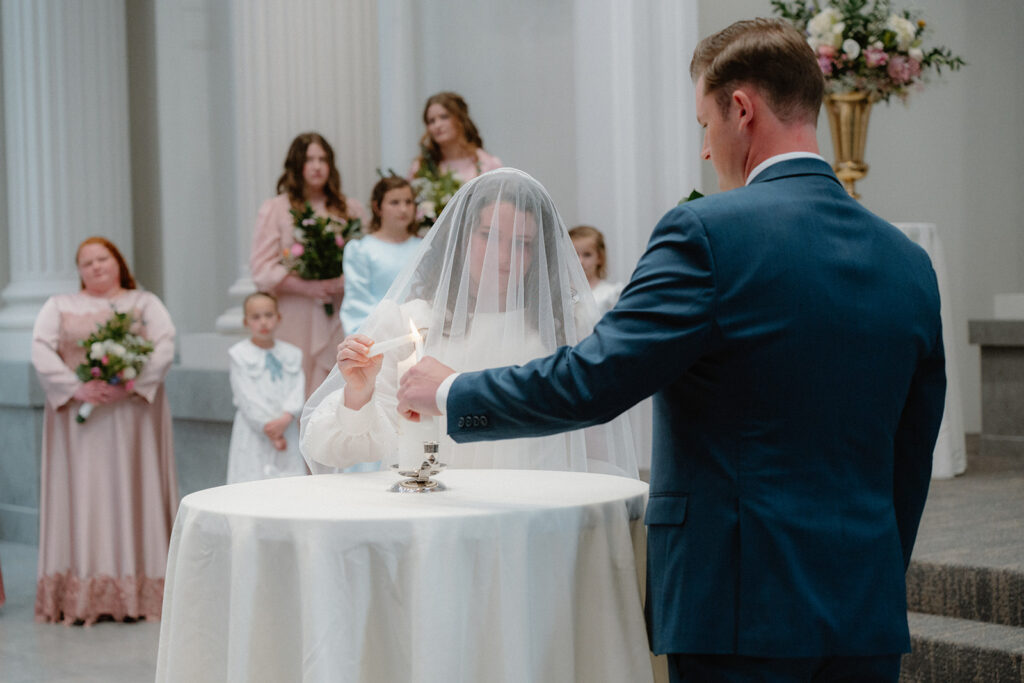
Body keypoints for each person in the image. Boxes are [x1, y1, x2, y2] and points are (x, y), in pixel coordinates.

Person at [397, 19, 945, 682]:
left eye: (703, 124)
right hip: (864, 612)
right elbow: (911, 456)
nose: (707, 152)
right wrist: (872, 576)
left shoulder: (707, 234)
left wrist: (453, 391)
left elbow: (592, 381)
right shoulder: (909, 263)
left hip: (737, 609)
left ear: (739, 109)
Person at [301, 168, 637, 479]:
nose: (502, 257)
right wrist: (359, 394)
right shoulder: (409, 321)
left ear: (540, 253)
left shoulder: (568, 324)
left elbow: (595, 440)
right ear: (462, 239)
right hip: (440, 509)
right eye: (488, 236)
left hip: (538, 506)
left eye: (522, 243)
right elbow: (338, 449)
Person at [31, 236, 178, 625]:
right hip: (80, 423)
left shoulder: (144, 303)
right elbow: (41, 348)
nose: (95, 267)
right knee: (86, 495)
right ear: (79, 271)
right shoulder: (59, 306)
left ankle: (141, 590)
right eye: (86, 262)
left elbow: (164, 344)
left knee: (133, 490)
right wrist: (76, 387)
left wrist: (129, 381)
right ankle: (85, 592)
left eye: (102, 259)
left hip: (132, 420)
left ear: (118, 262)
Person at [250, 132, 367, 396]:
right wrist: (307, 287)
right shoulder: (276, 209)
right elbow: (261, 269)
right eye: (309, 159)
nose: (317, 166)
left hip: (338, 311)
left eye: (323, 159)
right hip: (295, 313)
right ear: (296, 165)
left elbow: (363, 261)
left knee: (338, 387)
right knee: (297, 387)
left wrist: (339, 281)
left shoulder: (350, 209)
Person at [226, 292, 307, 484]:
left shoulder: (292, 354)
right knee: (252, 481)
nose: (263, 322)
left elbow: (297, 389)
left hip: (286, 428)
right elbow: (246, 396)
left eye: (269, 315)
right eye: (256, 317)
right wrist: (270, 429)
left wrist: (286, 418)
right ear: (246, 322)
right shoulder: (239, 355)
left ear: (278, 318)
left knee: (289, 482)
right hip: (255, 432)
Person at [340, 175, 422, 335]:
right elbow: (357, 302)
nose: (403, 209)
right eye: (394, 203)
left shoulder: (424, 247)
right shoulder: (362, 250)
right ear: (378, 207)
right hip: (378, 333)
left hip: (419, 330)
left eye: (408, 202)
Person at [408, 92, 502, 183]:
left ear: (460, 120)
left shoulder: (487, 163)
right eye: (431, 121)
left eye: (444, 117)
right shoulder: (420, 168)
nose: (437, 125)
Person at [570, 225, 624, 315]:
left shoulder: (611, 294)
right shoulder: (562, 293)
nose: (580, 261)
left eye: (587, 255)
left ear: (599, 257)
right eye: (574, 255)